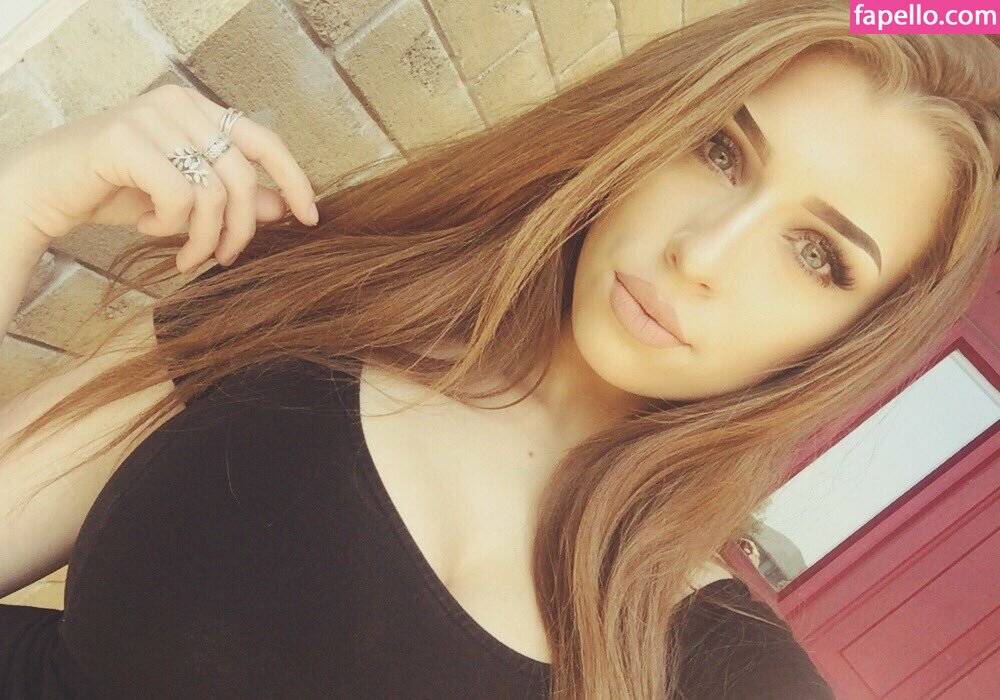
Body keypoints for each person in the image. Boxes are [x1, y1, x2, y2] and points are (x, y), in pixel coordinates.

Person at [1, 0, 997, 697]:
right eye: (719, 149)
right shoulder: (328, 294)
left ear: (849, 336)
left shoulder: (718, 674)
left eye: (816, 254)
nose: (702, 254)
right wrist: (32, 196)